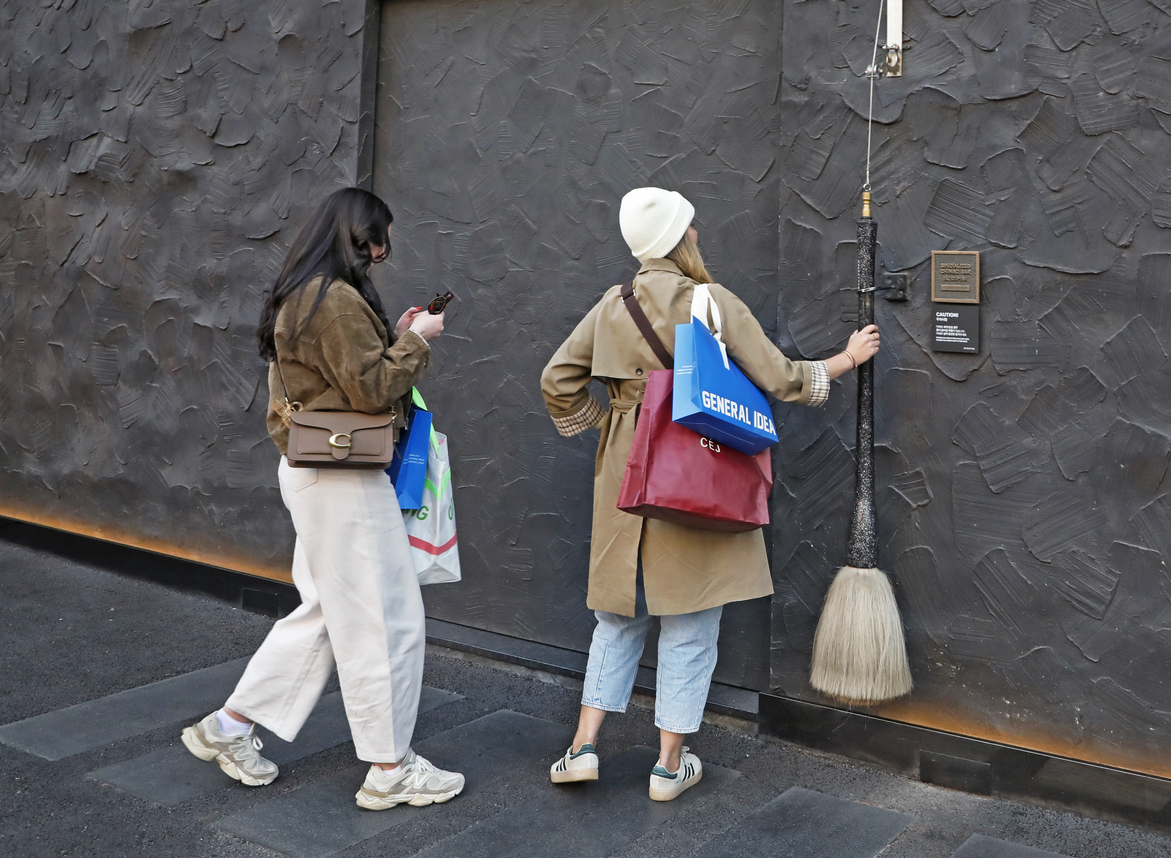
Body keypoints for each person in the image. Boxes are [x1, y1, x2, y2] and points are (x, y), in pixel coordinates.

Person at [540, 187, 880, 802]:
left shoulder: (612, 305)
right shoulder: (711, 302)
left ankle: (582, 748)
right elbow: (777, 377)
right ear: (677, 237)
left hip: (626, 478)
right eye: (691, 228)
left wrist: (610, 427)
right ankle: (669, 767)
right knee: (691, 621)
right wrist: (845, 360)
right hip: (696, 474)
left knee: (618, 614)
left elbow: (556, 381)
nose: (698, 235)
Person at [180, 187, 465, 811]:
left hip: (315, 470)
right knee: (384, 619)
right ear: (355, 236)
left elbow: (349, 377)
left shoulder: (302, 294)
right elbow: (372, 389)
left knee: (325, 614)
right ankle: (390, 769)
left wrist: (401, 333)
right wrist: (420, 341)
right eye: (377, 241)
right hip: (343, 477)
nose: (382, 253)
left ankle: (231, 725)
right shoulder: (332, 300)